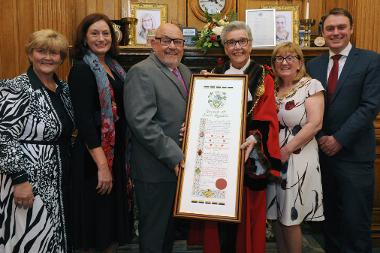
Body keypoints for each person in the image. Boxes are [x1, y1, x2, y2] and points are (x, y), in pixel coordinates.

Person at [187, 21, 281, 253]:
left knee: (248, 219)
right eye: (231, 42)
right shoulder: (214, 75)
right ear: (225, 47)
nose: (237, 47)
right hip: (217, 158)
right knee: (217, 214)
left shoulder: (264, 76)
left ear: (250, 45)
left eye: (242, 41)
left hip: (250, 157)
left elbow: (269, 118)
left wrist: (254, 139)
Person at [306, 8, 380, 253]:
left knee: (355, 226)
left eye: (341, 27)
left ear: (351, 29)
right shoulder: (312, 65)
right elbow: (306, 108)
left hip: (355, 157)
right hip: (322, 157)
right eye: (330, 28)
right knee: (330, 226)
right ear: (323, 33)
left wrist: (339, 138)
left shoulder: (371, 60)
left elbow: (370, 106)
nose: (335, 32)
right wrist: (319, 138)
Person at [0, 29, 73, 252]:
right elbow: (4, 137)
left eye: (55, 53)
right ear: (30, 54)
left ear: (61, 58)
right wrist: (20, 180)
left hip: (57, 180)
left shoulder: (63, 90)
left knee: (54, 239)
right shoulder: (16, 88)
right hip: (27, 182)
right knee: (30, 239)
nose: (48, 58)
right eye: (42, 51)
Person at [124, 23, 191, 253]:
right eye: (166, 40)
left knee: (168, 235)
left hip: (178, 167)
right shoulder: (141, 72)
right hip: (156, 169)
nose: (173, 47)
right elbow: (143, 123)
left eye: (178, 42)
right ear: (153, 43)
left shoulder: (183, 70)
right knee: (154, 235)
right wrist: (174, 156)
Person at [68, 13, 131, 253]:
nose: (101, 38)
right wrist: (102, 166)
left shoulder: (115, 67)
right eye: (95, 33)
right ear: (84, 37)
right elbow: (84, 123)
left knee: (110, 230)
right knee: (96, 231)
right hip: (93, 159)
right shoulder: (82, 70)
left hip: (113, 154)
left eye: (106, 33)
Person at [266, 42, 325, 253]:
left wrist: (287, 150)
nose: (284, 62)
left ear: (300, 63)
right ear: (273, 64)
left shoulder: (311, 86)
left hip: (297, 156)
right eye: (279, 58)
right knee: (277, 216)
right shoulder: (271, 88)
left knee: (290, 218)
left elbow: (315, 124)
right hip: (273, 158)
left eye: (290, 57)